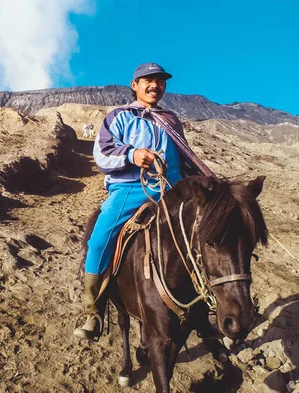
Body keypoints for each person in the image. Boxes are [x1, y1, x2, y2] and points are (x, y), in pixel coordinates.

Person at [73, 62, 216, 341]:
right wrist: (132, 154)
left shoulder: (171, 120)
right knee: (100, 239)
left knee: (205, 237)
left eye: (160, 81)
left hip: (174, 191)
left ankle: (201, 310)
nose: (155, 85)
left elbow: (185, 159)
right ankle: (94, 311)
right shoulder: (119, 117)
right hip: (130, 188)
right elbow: (102, 154)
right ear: (134, 85)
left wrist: (206, 183)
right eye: (147, 80)